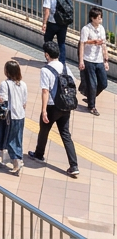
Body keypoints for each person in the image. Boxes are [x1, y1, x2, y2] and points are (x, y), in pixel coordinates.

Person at [29, 41, 79, 177]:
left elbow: (45, 91)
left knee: (44, 130)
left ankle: (39, 154)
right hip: (65, 106)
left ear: (46, 55)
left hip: (52, 106)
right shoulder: (65, 67)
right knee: (66, 135)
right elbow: (72, 84)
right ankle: (74, 165)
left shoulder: (46, 70)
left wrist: (44, 110)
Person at [0, 59, 27, 174]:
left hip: (10, 116)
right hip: (20, 116)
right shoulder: (23, 84)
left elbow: (3, 100)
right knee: (18, 138)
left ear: (7, 72)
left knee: (9, 139)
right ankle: (11, 159)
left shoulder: (5, 84)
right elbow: (24, 102)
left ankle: (16, 161)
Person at [78, 6, 108, 115]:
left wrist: (106, 60)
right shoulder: (86, 29)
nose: (100, 20)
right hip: (88, 59)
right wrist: (81, 60)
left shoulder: (102, 29)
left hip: (99, 60)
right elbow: (83, 43)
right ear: (92, 18)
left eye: (101, 17)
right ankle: (92, 106)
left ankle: (91, 96)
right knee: (92, 84)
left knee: (103, 83)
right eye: (98, 18)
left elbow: (104, 45)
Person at [41, 0, 72, 65]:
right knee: (61, 43)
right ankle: (61, 62)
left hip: (52, 22)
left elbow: (47, 10)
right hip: (63, 23)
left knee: (48, 41)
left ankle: (50, 60)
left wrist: (44, 23)